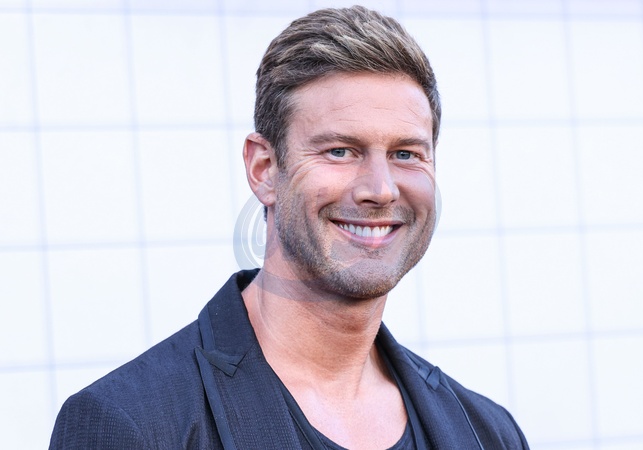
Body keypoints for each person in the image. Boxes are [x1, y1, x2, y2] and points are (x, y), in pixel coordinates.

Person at [50, 6, 529, 449]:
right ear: (264, 169)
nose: (381, 190)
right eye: (339, 151)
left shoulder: (489, 432)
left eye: (406, 153)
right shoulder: (130, 423)